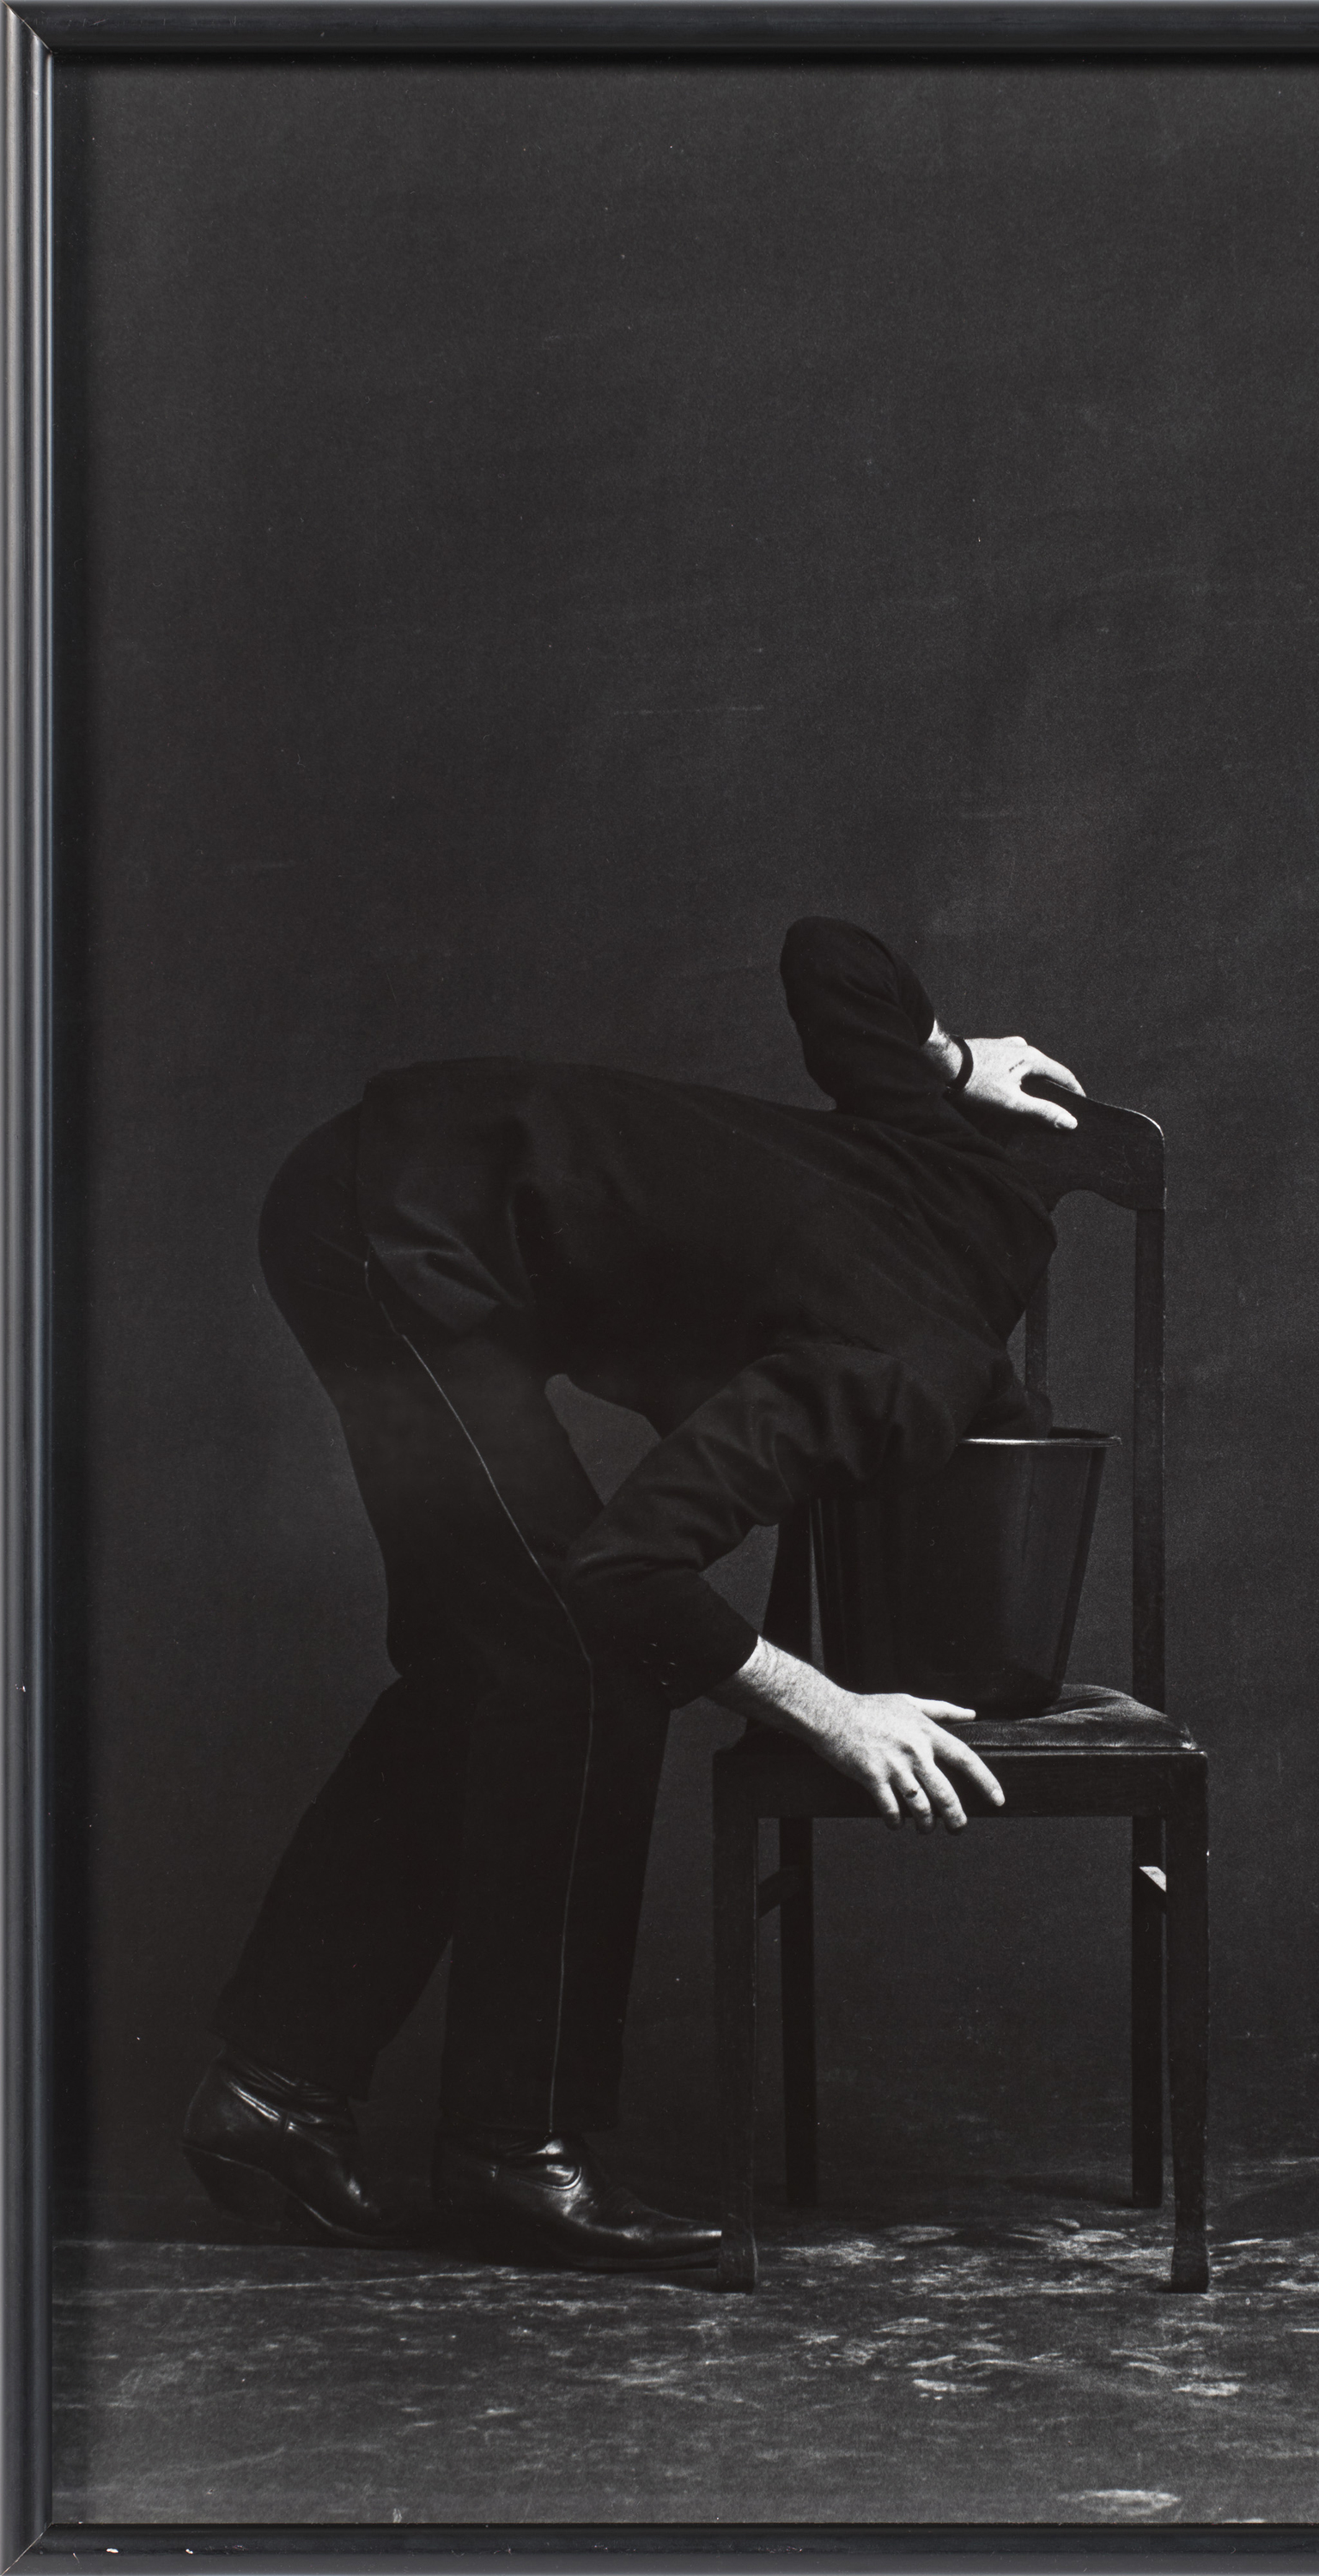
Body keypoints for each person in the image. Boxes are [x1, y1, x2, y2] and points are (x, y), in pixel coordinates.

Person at [183, 919, 1083, 2271]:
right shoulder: (892, 1385)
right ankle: (511, 2156)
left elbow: (831, 957)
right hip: (389, 1234)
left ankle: (271, 2099)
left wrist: (951, 1059)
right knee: (578, 1660)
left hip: (413, 1178)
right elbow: (626, 1569)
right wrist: (830, 1707)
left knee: (488, 1663)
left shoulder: (970, 1185)